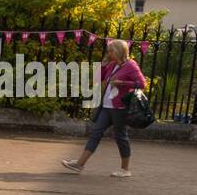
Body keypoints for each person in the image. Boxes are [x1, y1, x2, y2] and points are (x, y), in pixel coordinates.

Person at [62, 38, 145, 178]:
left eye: (111, 51)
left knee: (120, 136)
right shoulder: (112, 65)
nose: (109, 53)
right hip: (107, 106)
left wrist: (122, 83)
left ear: (119, 51)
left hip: (120, 108)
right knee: (96, 132)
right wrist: (103, 65)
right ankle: (79, 164)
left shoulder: (131, 65)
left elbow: (142, 84)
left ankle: (125, 169)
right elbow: (96, 79)